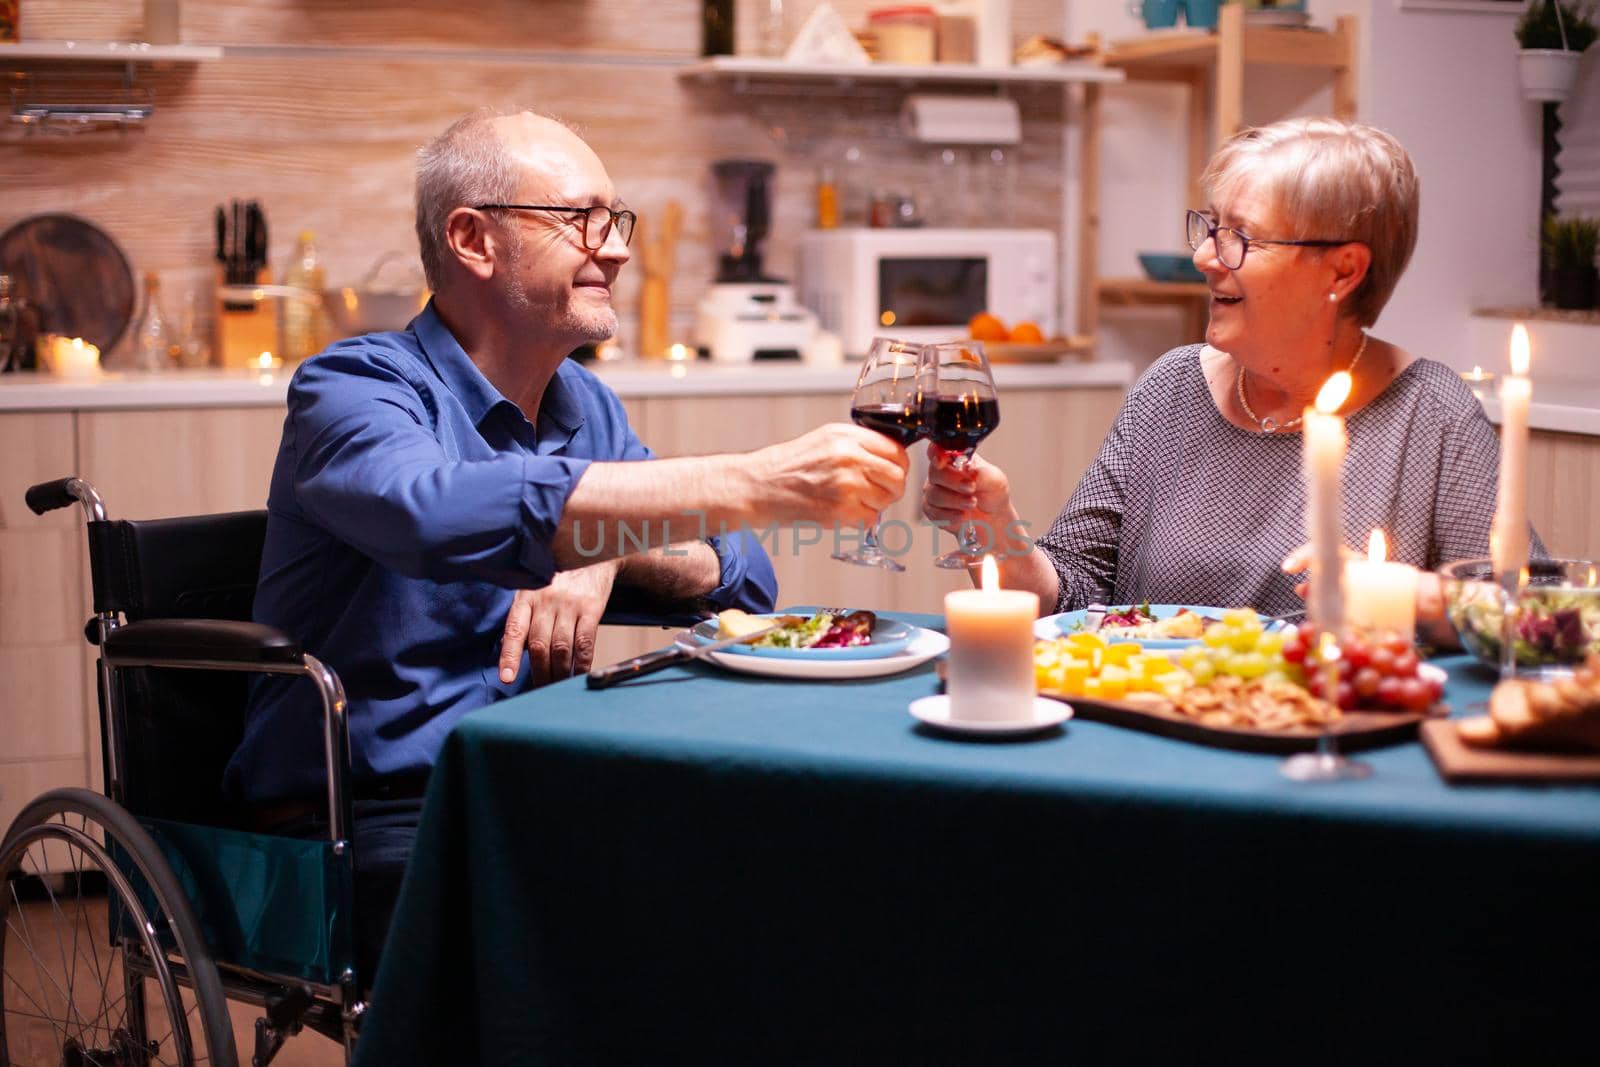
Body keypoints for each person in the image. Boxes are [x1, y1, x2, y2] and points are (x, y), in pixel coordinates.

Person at [224, 108, 909, 980]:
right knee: (609, 939)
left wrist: (610, 550)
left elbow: (742, 577)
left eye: (616, 220)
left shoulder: (588, 408)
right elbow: (431, 513)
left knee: (785, 876)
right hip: (363, 815)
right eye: (582, 218)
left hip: (535, 779)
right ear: (474, 239)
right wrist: (755, 480)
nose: (617, 248)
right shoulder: (354, 387)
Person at [923, 117, 1537, 645]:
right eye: (1211, 227)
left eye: (1240, 237)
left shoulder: (1428, 413)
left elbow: (1536, 624)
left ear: (1344, 270)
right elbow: (1071, 606)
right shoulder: (1170, 389)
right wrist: (991, 527)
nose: (1206, 256)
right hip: (1148, 735)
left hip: (1319, 748)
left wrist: (1413, 598)